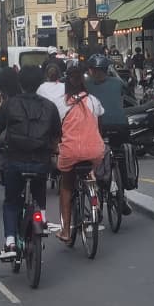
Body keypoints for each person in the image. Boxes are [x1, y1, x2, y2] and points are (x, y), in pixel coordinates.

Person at [0, 65, 61, 260]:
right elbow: (56, 137)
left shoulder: (10, 105)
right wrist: (54, 150)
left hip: (14, 161)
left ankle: (10, 242)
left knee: (11, 202)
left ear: (21, 83)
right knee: (39, 187)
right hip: (40, 160)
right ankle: (41, 217)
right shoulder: (49, 106)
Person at [56, 66, 105, 243]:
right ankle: (95, 195)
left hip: (71, 152)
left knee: (66, 186)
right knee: (91, 166)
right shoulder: (93, 101)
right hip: (94, 150)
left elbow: (56, 131)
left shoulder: (61, 103)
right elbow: (99, 127)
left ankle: (66, 230)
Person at [85, 53, 132, 214]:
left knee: (90, 158)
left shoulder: (85, 84)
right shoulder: (117, 82)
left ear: (91, 70)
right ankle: (121, 192)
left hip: (95, 127)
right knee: (121, 155)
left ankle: (96, 190)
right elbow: (128, 90)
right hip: (120, 126)